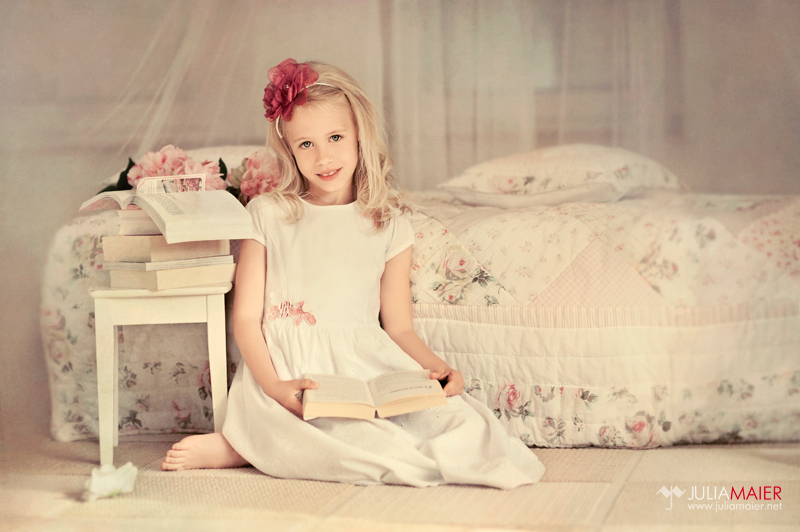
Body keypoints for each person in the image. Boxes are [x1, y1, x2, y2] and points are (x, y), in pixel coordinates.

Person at [161, 59, 545, 488]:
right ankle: (244, 446)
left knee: (457, 425)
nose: (323, 157)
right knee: (337, 429)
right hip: (291, 364)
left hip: (364, 362)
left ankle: (258, 448)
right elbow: (247, 319)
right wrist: (273, 386)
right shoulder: (268, 213)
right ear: (288, 149)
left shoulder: (389, 222)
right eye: (306, 144)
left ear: (359, 134)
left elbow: (399, 327)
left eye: (335, 137)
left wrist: (439, 368)